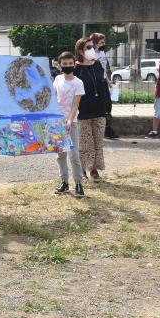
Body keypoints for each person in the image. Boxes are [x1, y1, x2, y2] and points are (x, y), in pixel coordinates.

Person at [74, 37, 111, 180]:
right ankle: (83, 168)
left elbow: (103, 86)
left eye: (92, 47)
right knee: (85, 142)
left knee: (98, 141)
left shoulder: (97, 65)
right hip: (83, 111)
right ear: (80, 51)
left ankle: (94, 169)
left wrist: (107, 107)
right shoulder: (76, 68)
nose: (92, 50)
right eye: (88, 47)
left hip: (99, 110)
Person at [53, 52, 85, 198]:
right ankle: (64, 182)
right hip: (57, 123)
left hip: (72, 122)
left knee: (74, 155)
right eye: (64, 64)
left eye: (70, 63)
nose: (67, 66)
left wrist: (70, 121)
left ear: (74, 64)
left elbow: (74, 106)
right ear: (59, 65)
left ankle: (79, 183)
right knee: (60, 155)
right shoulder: (58, 79)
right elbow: (54, 99)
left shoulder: (78, 83)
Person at [90, 32, 119, 140]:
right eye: (101, 42)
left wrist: (108, 80)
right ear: (95, 43)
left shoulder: (102, 53)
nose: (103, 44)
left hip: (103, 82)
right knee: (97, 106)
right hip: (94, 83)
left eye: (103, 42)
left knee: (107, 106)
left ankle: (107, 128)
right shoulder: (91, 54)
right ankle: (101, 130)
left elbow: (104, 69)